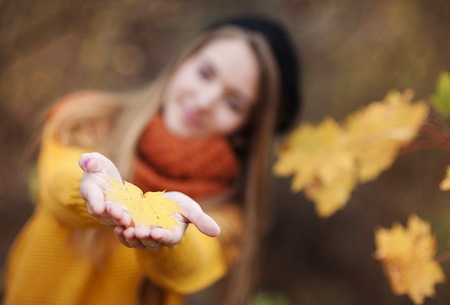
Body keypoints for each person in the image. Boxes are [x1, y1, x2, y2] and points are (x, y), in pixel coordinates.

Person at [2, 14, 300, 305]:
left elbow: (194, 261)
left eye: (234, 103)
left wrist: (172, 240)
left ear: (247, 128)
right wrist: (91, 188)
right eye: (205, 73)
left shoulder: (228, 210)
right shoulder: (85, 119)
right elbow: (56, 184)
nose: (206, 101)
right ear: (183, 62)